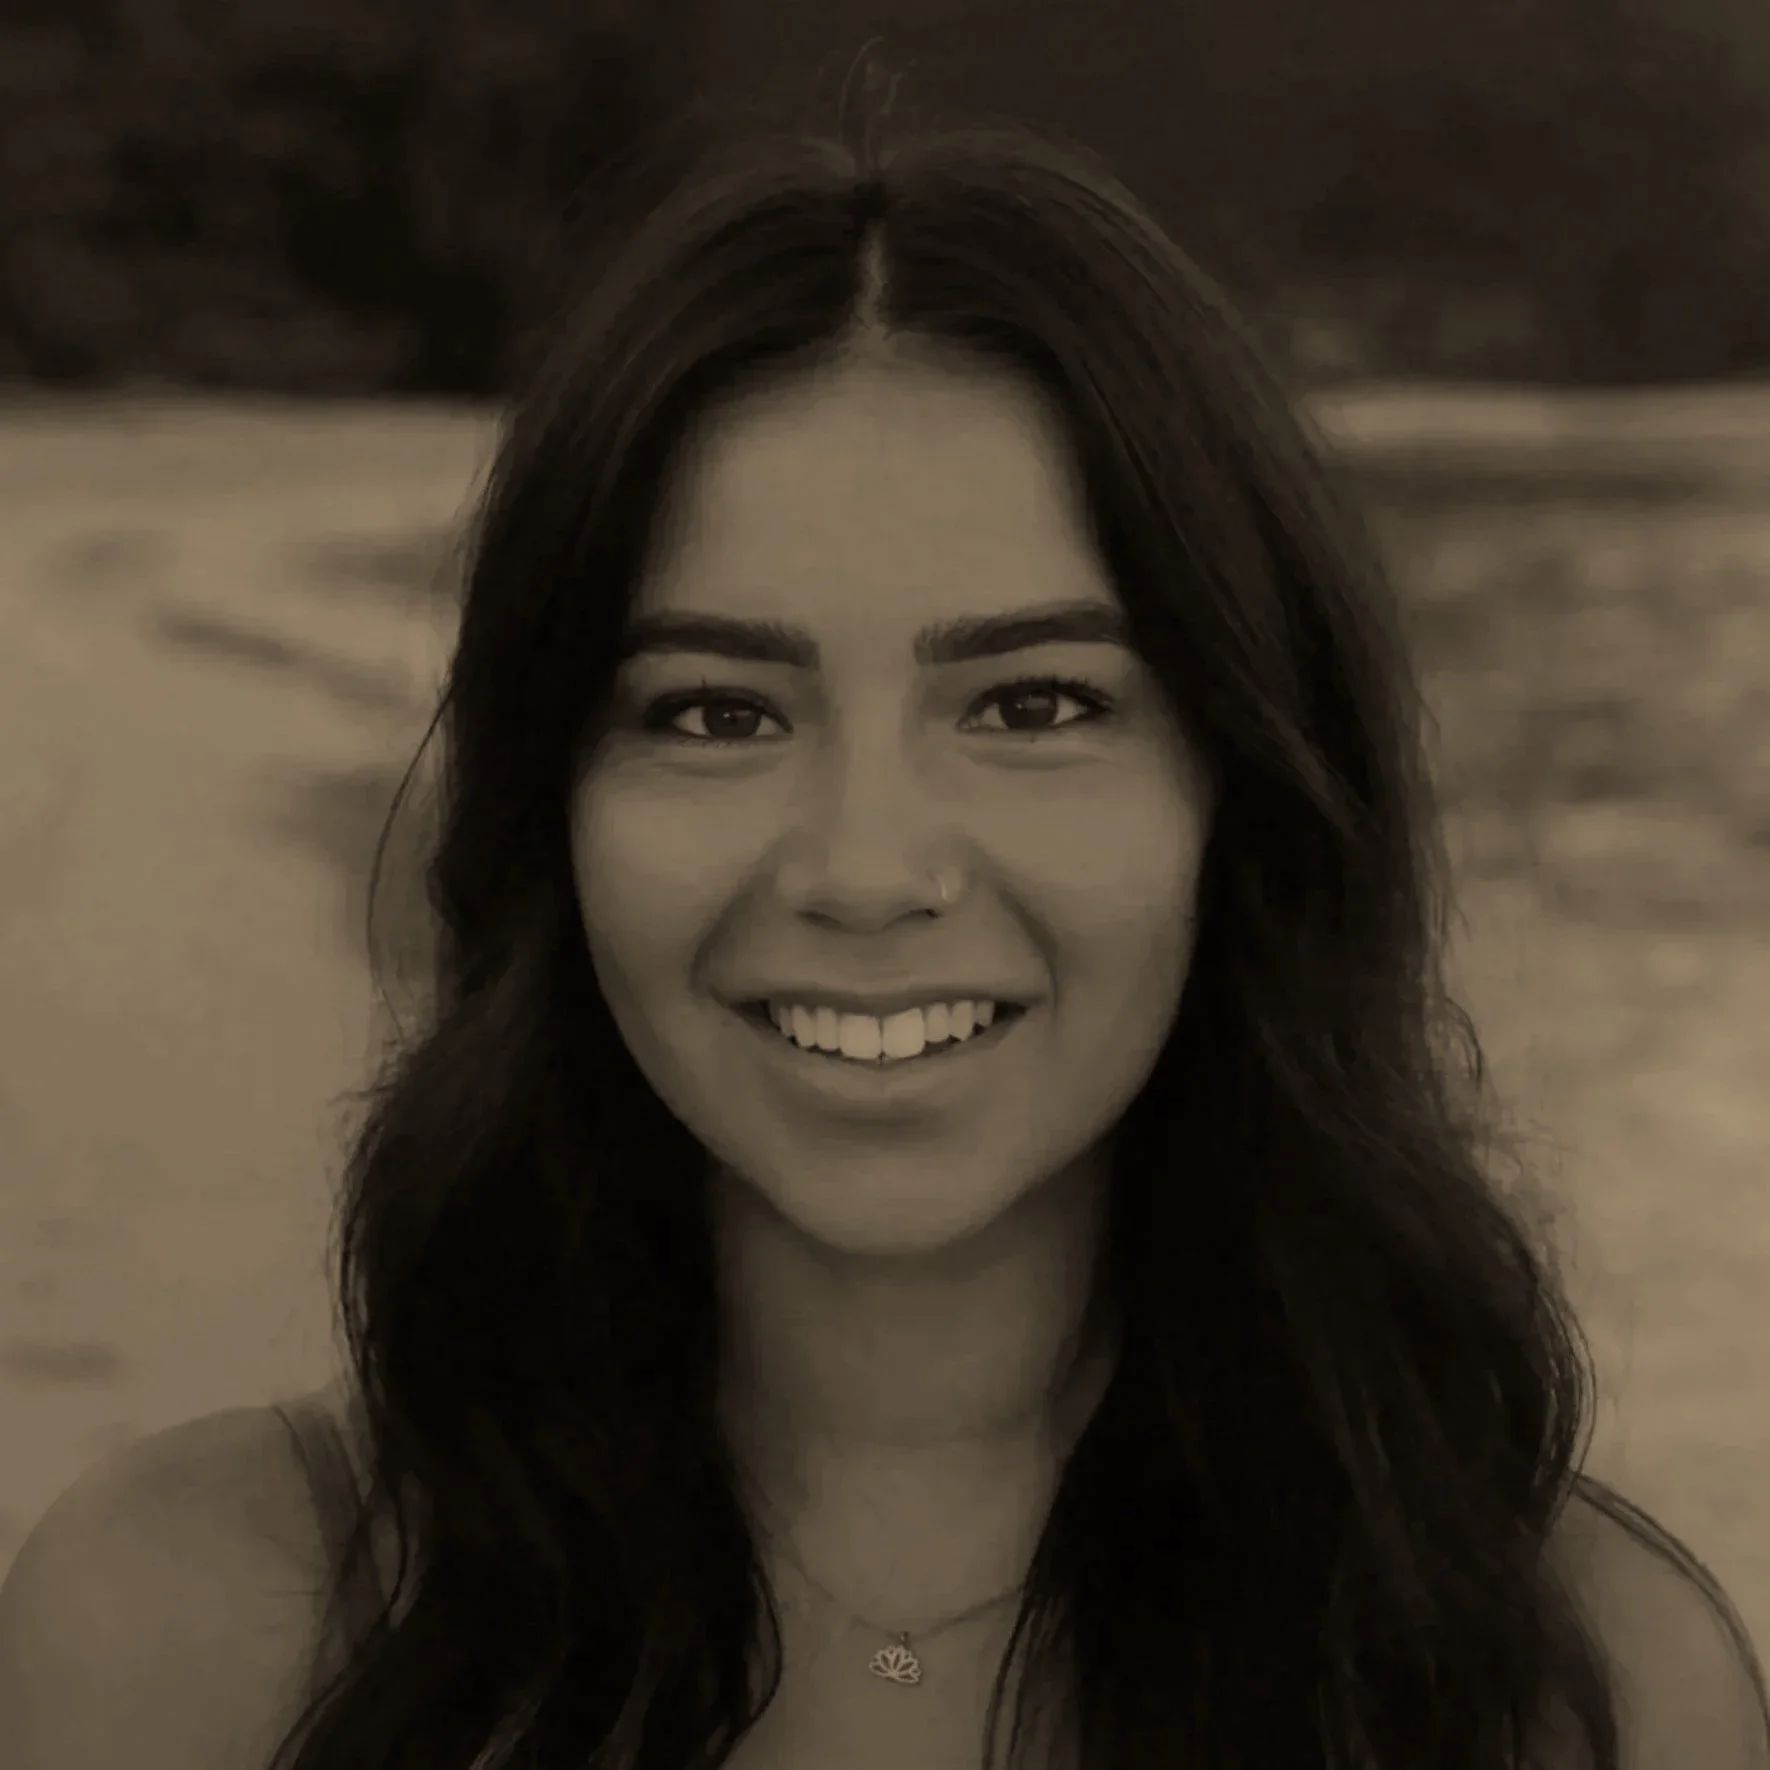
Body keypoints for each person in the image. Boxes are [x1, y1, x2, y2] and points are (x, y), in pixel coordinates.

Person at [2, 92, 1767, 1770]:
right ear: (552, 810)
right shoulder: (197, 1635)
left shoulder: (1568, 1683)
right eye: (714, 712)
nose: (863, 867)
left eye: (1031, 704)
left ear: (1240, 796)